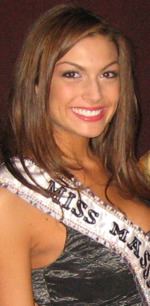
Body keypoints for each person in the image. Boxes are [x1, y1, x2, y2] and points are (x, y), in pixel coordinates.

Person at [0, 4, 149, 306]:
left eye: (108, 74)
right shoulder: (14, 199)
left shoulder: (117, 168)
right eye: (72, 74)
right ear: (38, 84)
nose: (95, 94)